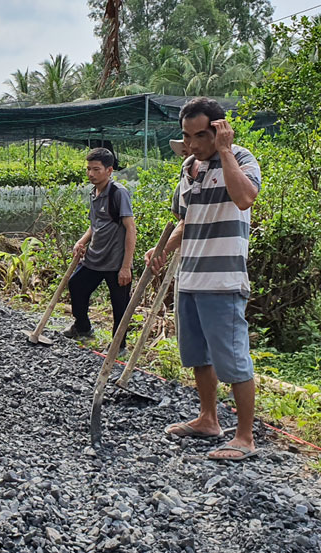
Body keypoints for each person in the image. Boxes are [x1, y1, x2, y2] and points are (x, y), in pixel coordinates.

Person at [147, 97, 260, 461]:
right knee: (198, 356)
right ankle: (208, 419)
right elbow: (186, 219)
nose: (193, 144)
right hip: (190, 277)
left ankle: (244, 437)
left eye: (200, 136)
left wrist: (225, 151)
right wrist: (161, 248)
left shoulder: (240, 159)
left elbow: (244, 199)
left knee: (233, 359)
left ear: (219, 130)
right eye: (187, 136)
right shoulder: (188, 167)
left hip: (223, 279)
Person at [64, 148, 137, 355]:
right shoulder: (93, 192)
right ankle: (83, 327)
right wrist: (81, 241)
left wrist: (126, 266)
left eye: (96, 169)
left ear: (109, 170)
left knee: (119, 305)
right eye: (88, 169)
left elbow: (131, 228)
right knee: (76, 285)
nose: (91, 174)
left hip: (116, 262)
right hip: (95, 258)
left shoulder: (118, 193)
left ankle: (118, 345)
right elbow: (95, 224)